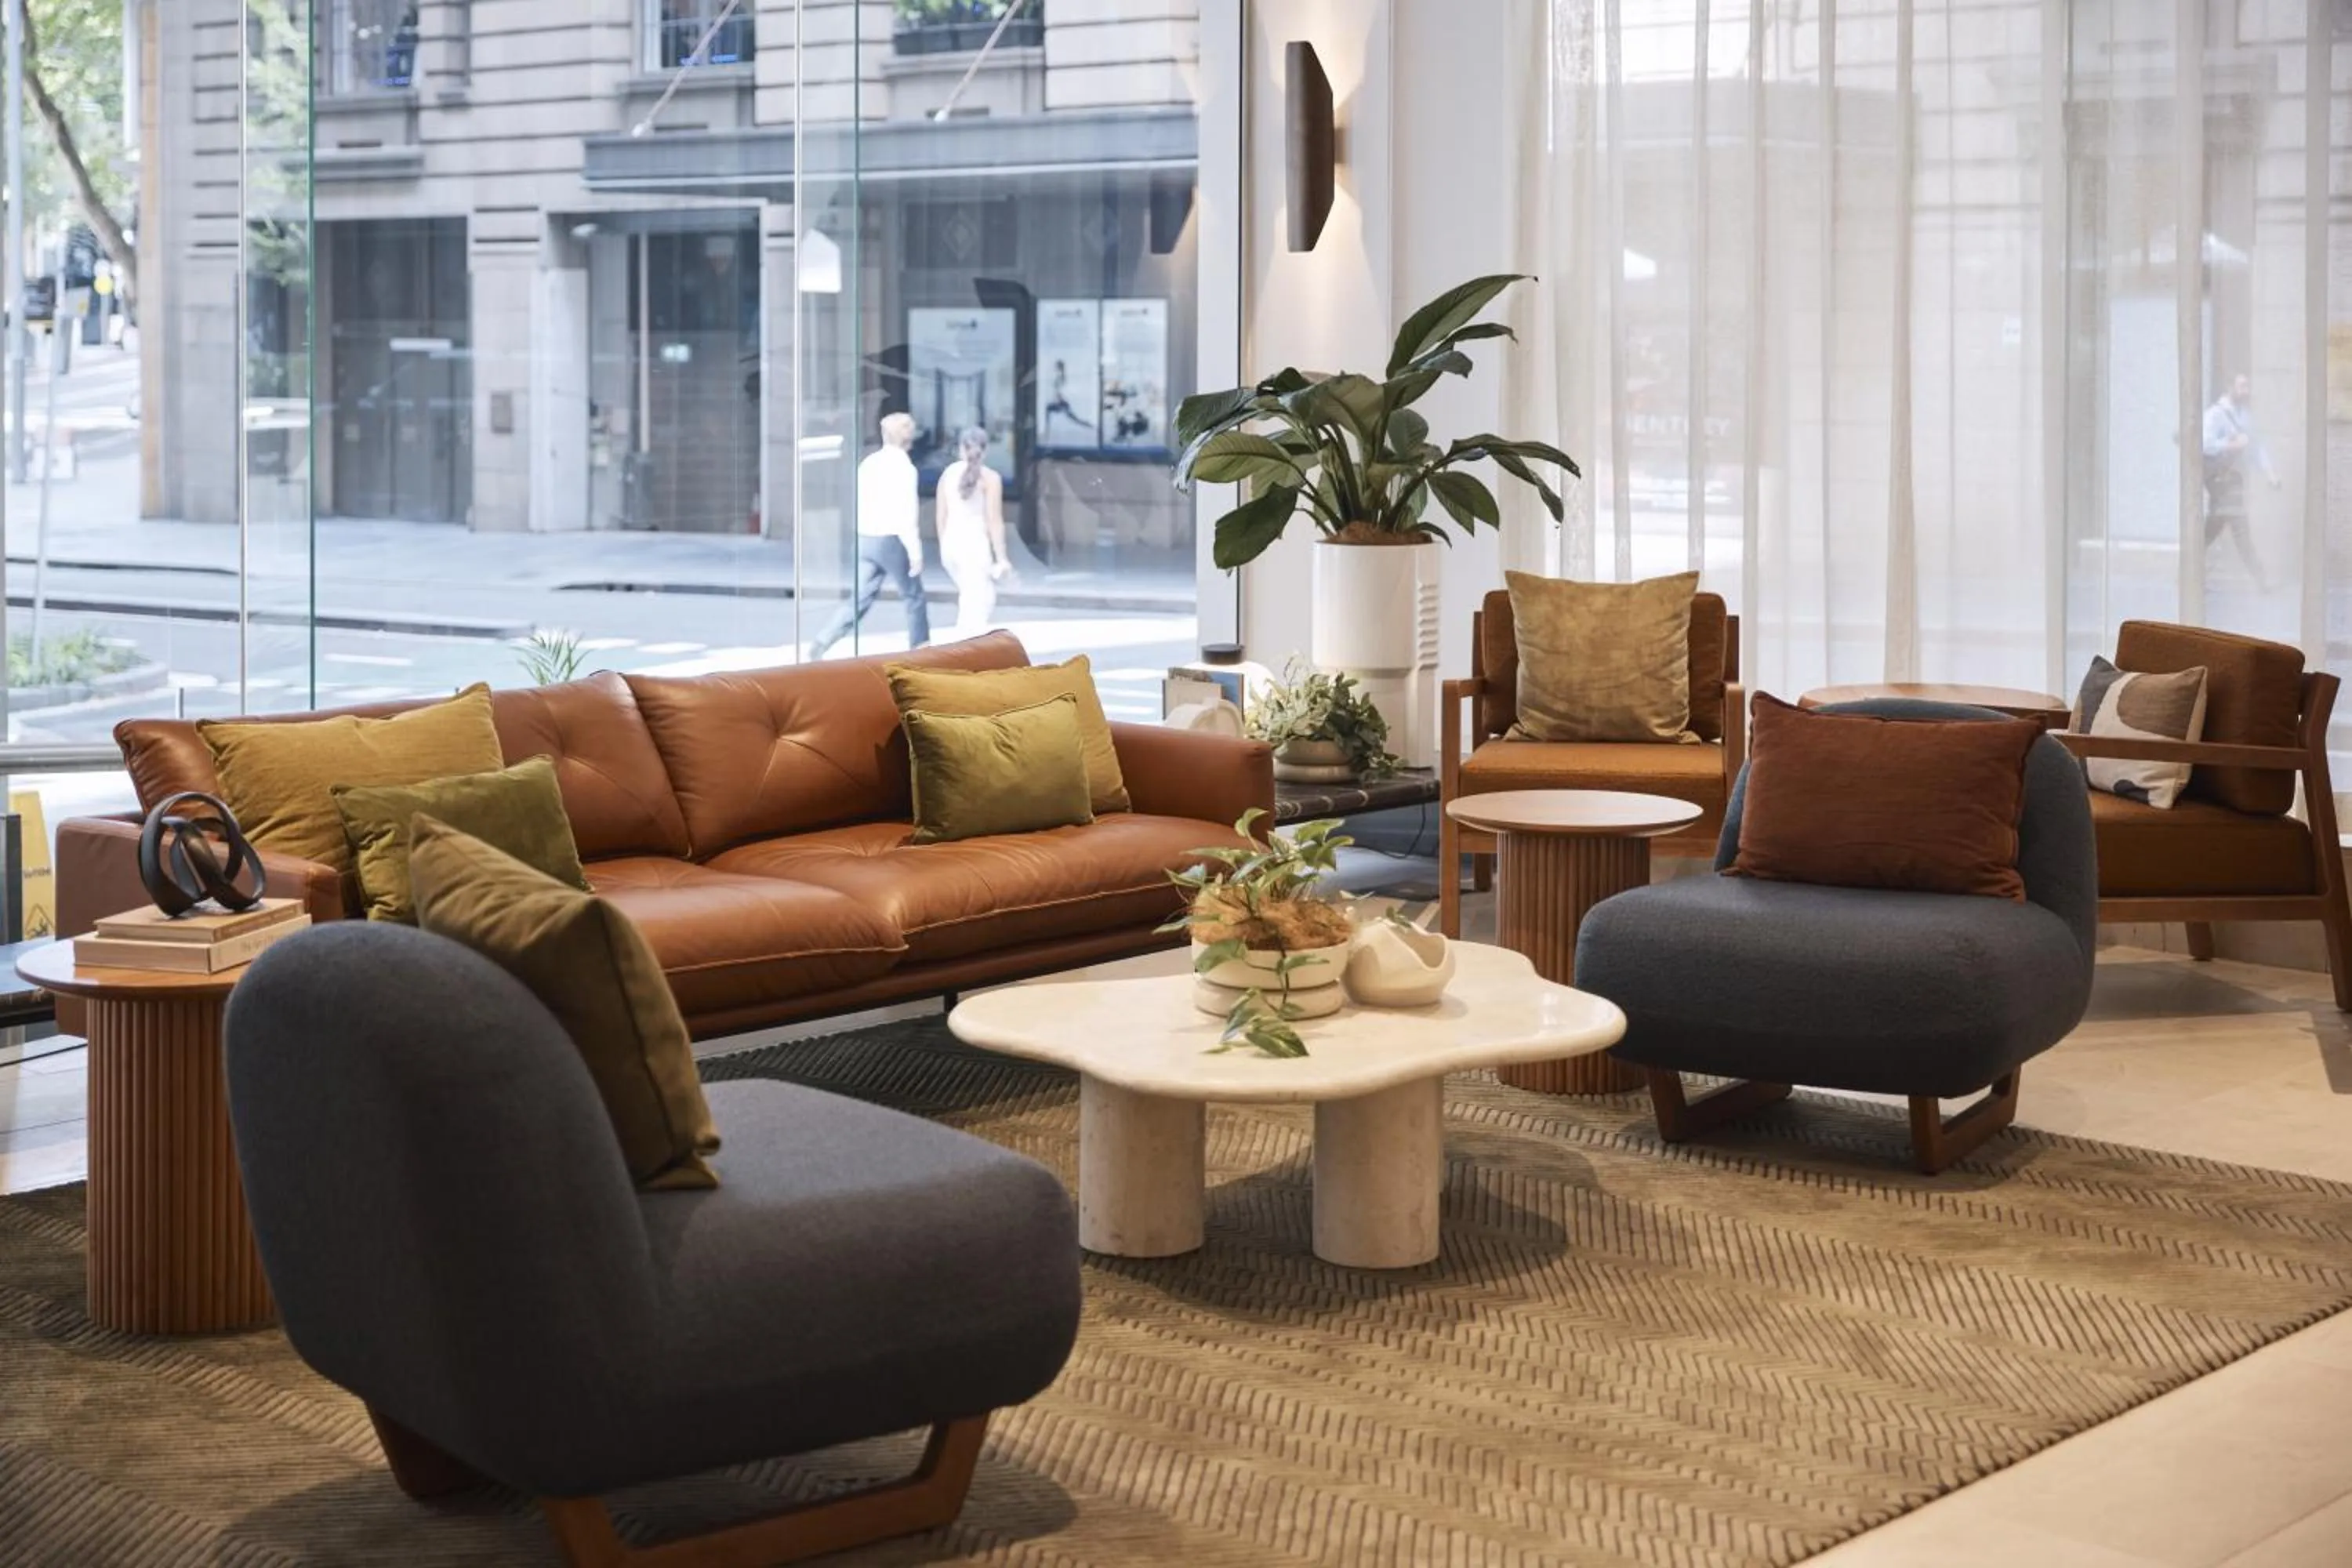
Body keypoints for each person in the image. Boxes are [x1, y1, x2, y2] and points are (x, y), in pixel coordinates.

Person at [806, 412, 928, 659]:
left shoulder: (869, 463)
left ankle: (823, 640)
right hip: (891, 539)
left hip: (866, 537)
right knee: (914, 597)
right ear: (907, 438)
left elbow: (861, 501)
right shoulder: (905, 467)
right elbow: (907, 512)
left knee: (859, 598)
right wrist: (915, 552)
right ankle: (921, 649)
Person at [2201, 372, 2279, 590]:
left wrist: (2270, 474)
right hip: (2219, 481)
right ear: (2230, 387)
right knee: (2238, 528)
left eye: (2248, 387)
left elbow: (2256, 447)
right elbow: (2204, 443)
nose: (2247, 391)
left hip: (2235, 481)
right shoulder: (2215, 415)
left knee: (2216, 528)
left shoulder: (2246, 416)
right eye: (2242, 386)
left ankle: (2187, 572)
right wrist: (2230, 445)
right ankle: (2261, 580)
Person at [938, 426, 1014, 637]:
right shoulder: (990, 478)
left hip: (951, 544)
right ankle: (965, 650)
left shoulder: (948, 474)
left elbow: (941, 517)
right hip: (974, 545)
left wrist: (944, 544)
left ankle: (963, 646)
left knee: (969, 598)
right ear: (985, 450)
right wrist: (1001, 557)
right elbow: (994, 520)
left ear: (961, 448)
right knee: (979, 604)